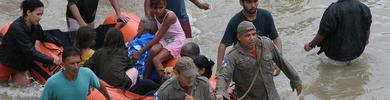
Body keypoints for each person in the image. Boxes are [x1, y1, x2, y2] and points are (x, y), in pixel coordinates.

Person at [216, 21, 302, 100]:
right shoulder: (232, 56)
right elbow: (223, 76)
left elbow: (282, 62)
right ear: (239, 37)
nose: (252, 38)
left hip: (272, 96)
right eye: (247, 35)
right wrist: (220, 92)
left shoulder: (266, 44)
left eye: (253, 34)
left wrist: (296, 80)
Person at [0, 0, 62, 87]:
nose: (40, 17)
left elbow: (44, 36)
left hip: (20, 66)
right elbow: (30, 51)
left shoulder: (35, 26)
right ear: (28, 12)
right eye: (38, 14)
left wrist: (60, 43)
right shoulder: (17, 28)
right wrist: (52, 60)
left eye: (41, 14)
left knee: (24, 89)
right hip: (6, 63)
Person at [85, 28, 159, 95]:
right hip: (120, 85)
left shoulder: (99, 52)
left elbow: (87, 65)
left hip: (104, 82)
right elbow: (130, 66)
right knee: (134, 70)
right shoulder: (123, 53)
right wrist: (134, 59)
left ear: (106, 39)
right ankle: (129, 92)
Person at [216, 0, 282, 76]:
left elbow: (276, 38)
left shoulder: (266, 16)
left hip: (263, 61)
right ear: (241, 3)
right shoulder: (235, 21)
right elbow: (223, 45)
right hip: (243, 64)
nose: (253, 5)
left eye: (255, 1)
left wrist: (279, 62)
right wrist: (219, 70)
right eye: (249, 2)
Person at [304, 0, 372, 65]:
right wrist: (366, 40)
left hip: (336, 58)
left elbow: (323, 32)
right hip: (356, 55)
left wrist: (311, 45)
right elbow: (367, 28)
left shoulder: (333, 10)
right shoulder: (364, 8)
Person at [132, 0, 186, 82]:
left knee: (156, 60)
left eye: (161, 8)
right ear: (151, 8)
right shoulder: (155, 14)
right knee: (153, 51)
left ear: (165, 5)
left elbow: (157, 37)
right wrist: (138, 35)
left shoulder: (169, 16)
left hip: (176, 38)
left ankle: (163, 83)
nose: (158, 11)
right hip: (166, 36)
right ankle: (145, 78)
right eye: (155, 8)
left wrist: (140, 51)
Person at [40, 47, 110, 100]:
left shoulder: (87, 73)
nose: (76, 67)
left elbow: (99, 85)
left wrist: (108, 98)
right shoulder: (52, 83)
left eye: (78, 62)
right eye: (72, 63)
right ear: (63, 64)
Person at [144, 0, 210, 38]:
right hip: (163, 20)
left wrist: (199, 5)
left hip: (182, 18)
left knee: (187, 44)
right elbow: (148, 1)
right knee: (163, 41)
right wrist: (149, 19)